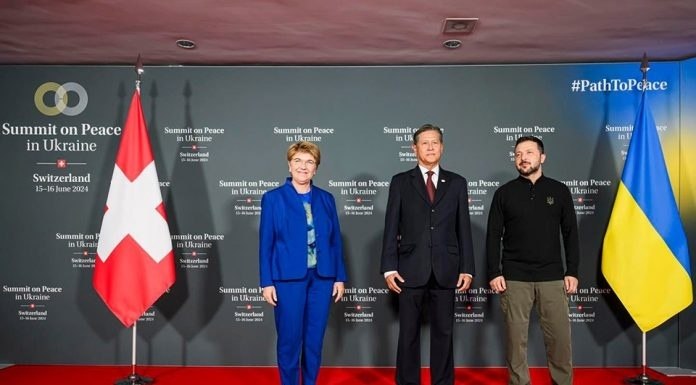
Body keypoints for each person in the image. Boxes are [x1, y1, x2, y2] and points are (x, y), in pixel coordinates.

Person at [380, 124, 475, 385]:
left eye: (435, 142)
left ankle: (443, 382)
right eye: (425, 143)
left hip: (447, 269)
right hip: (409, 268)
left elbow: (463, 227)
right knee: (408, 333)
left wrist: (467, 267)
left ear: (442, 147)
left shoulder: (457, 183)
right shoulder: (400, 182)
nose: (430, 147)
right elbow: (391, 226)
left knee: (444, 333)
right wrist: (389, 267)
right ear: (414, 148)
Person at [486, 135, 579, 385]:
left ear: (542, 157)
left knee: (560, 340)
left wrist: (572, 271)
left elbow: (570, 233)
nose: (523, 158)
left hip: (552, 277)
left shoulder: (559, 191)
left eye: (528, 152)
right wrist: (494, 272)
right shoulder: (504, 193)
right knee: (516, 342)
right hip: (514, 278)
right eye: (518, 154)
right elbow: (493, 237)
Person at [259, 141, 347, 385]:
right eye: (298, 161)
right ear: (289, 164)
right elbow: (266, 244)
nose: (303, 166)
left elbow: (335, 241)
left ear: (316, 168)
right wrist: (266, 282)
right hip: (287, 280)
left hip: (322, 278)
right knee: (289, 339)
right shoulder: (273, 199)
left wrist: (339, 276)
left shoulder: (326, 199)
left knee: (314, 340)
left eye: (309, 162)